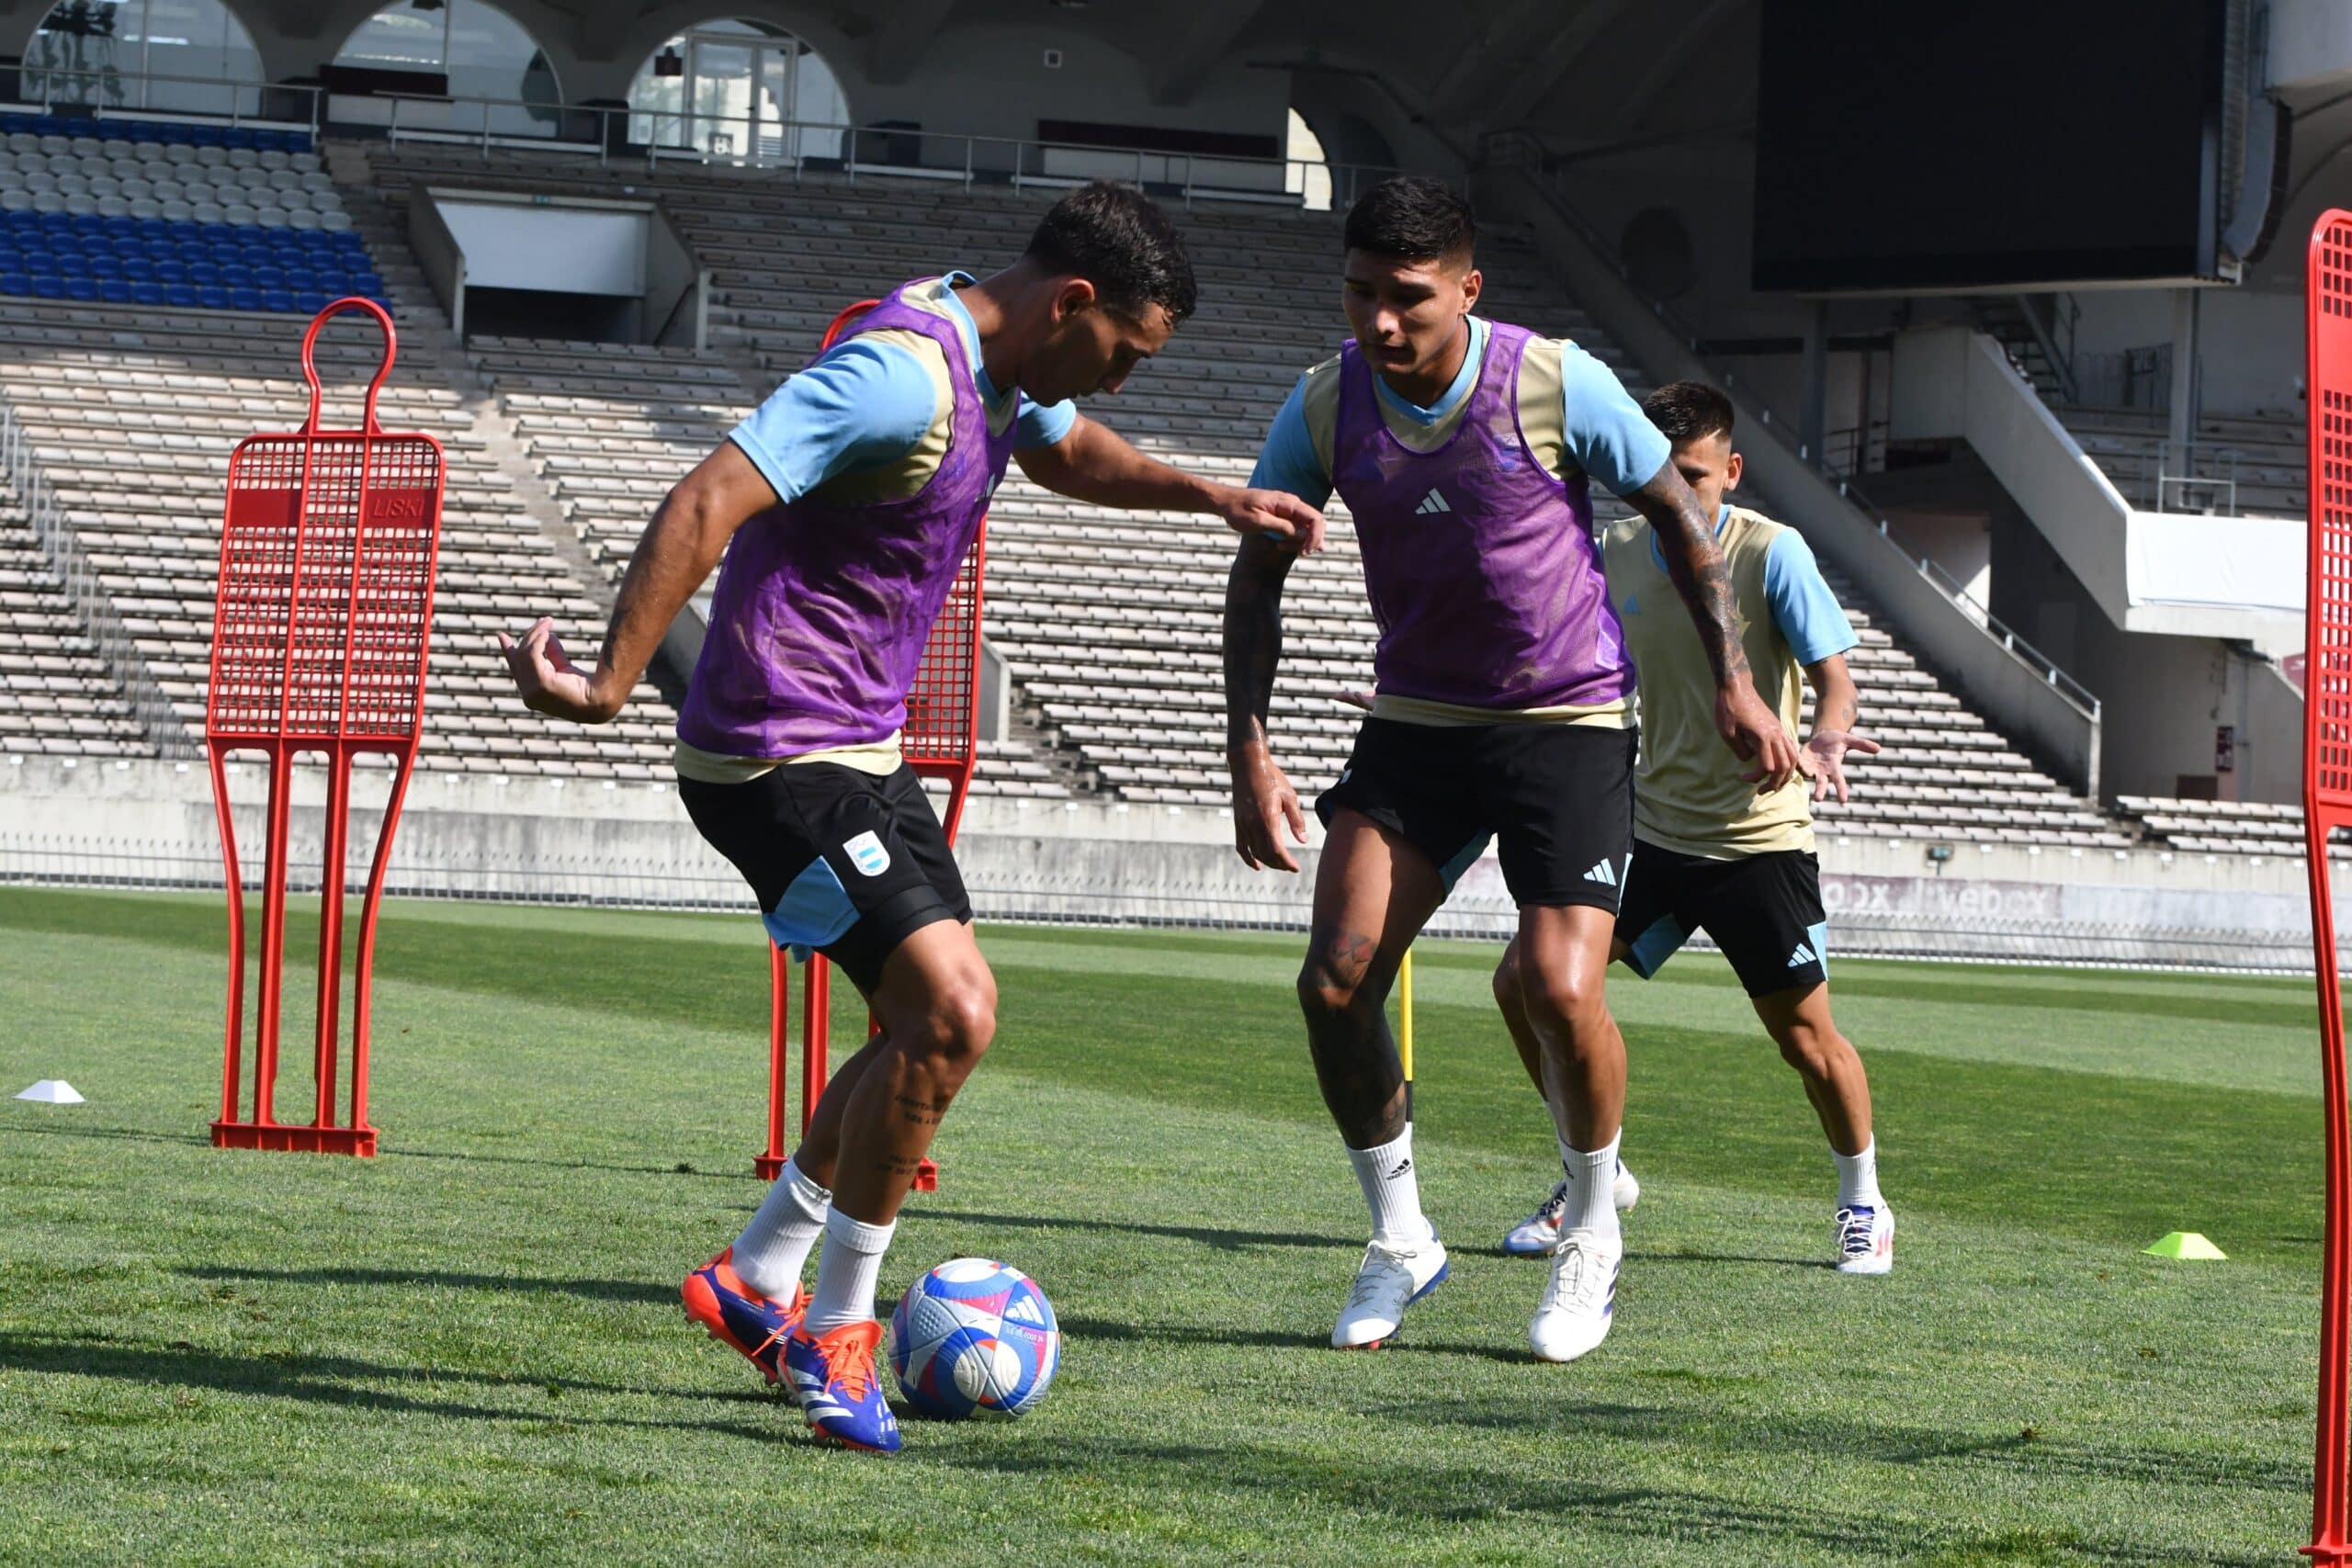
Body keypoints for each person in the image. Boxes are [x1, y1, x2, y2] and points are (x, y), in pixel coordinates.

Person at [500, 182, 1325, 1451]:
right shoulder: (901, 375)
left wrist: (1207, 495)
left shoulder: (1005, 371)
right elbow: (710, 493)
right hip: (769, 758)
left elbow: (1064, 448)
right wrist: (613, 676)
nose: (1122, 383)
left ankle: (756, 1273)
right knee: (953, 1012)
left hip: (860, 754)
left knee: (917, 1020)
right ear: (1074, 301)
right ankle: (840, 1336)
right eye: (1124, 354)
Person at [1225, 176, 1798, 1365]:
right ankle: (1400, 1237)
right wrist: (1250, 738)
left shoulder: (1553, 379)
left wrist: (1735, 680)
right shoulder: (1328, 400)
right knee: (1335, 979)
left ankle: (1592, 1226)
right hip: (1418, 722)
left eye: (1411, 299)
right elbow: (1259, 569)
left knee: (1555, 978)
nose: (1381, 322)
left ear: (1469, 291)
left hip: (1567, 718)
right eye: (1362, 292)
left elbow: (1682, 522)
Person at [1491, 380, 1893, 1275]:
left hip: (1758, 839)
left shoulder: (1772, 552)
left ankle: (1863, 1200)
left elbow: (1836, 680)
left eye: (1695, 475)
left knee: (1806, 1042)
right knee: (1524, 983)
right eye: (1657, 475)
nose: (1675, 492)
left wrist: (1825, 734)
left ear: (1731, 471)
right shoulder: (1618, 547)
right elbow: (1549, 648)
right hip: (1651, 835)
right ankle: (1594, 1173)